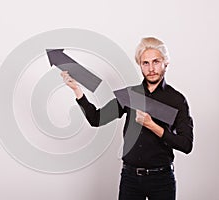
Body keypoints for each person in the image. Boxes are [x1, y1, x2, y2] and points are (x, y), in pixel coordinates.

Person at [60, 37, 194, 200]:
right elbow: (96, 119)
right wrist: (77, 91)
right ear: (140, 65)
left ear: (165, 62)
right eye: (145, 63)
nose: (151, 68)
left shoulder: (177, 100)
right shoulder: (131, 95)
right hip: (130, 179)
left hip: (161, 180)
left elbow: (186, 145)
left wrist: (153, 126)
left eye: (156, 62)